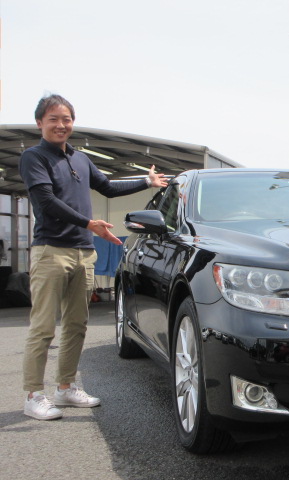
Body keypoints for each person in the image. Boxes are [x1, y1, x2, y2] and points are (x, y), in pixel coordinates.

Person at [19, 94, 168, 420]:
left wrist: (147, 181)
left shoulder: (81, 159)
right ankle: (33, 395)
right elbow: (46, 201)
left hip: (83, 252)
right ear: (40, 123)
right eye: (53, 119)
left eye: (66, 119)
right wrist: (89, 224)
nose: (61, 125)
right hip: (50, 251)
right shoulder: (33, 157)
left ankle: (65, 388)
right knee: (43, 327)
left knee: (76, 325)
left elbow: (108, 187)